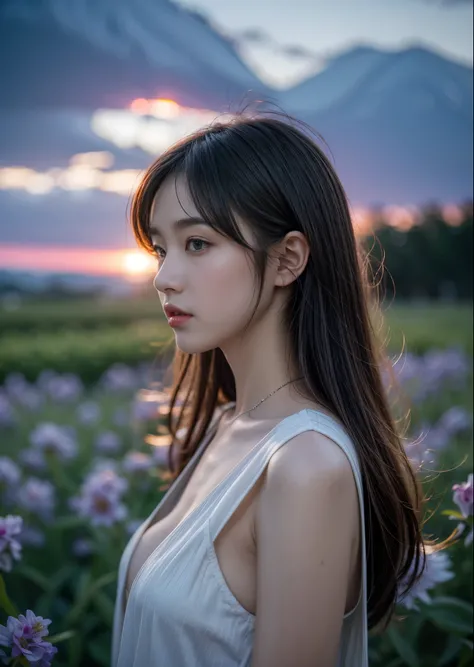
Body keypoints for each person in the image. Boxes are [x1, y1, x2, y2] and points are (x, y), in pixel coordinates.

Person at [111, 109, 426, 667]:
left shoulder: (306, 467)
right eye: (161, 249)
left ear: (287, 260)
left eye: (199, 244)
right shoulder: (226, 425)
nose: (163, 277)